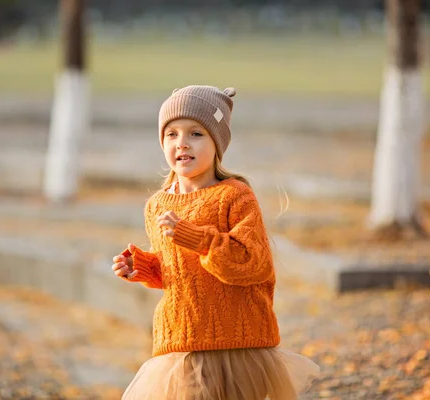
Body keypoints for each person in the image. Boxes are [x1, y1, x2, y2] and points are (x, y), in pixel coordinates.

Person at [111, 85, 320, 399]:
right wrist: (141, 266)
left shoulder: (234, 195)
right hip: (182, 339)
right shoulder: (157, 205)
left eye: (196, 133)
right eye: (172, 134)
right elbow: (177, 272)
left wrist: (194, 237)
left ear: (217, 143)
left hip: (235, 345)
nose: (182, 143)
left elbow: (253, 262)